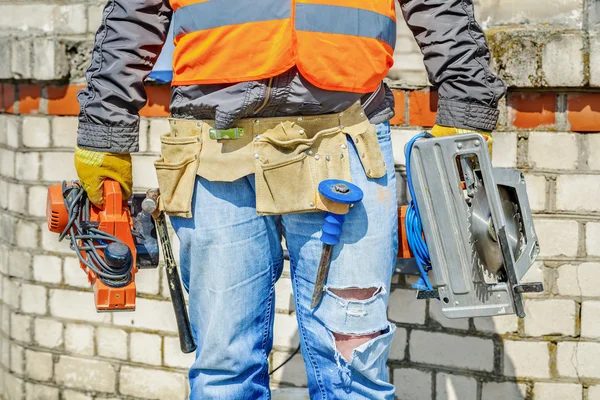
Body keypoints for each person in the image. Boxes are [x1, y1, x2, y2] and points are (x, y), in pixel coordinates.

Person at [74, 1, 506, 398]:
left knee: (353, 373)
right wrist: (103, 128)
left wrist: (467, 103)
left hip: (345, 135)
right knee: (224, 372)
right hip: (213, 144)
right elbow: (133, 11)